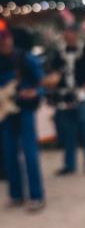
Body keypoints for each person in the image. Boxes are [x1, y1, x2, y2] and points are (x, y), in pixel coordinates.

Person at [47, 24, 85, 176]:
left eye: (70, 33)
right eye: (65, 34)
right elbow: (54, 75)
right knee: (68, 132)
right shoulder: (59, 53)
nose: (67, 36)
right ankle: (69, 165)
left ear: (75, 34)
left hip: (83, 95)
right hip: (65, 96)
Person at [0, 24, 45, 211]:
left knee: (29, 152)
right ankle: (16, 194)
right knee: (9, 153)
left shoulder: (24, 58)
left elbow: (43, 83)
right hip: (5, 111)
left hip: (24, 108)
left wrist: (35, 92)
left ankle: (36, 195)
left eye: (5, 38)